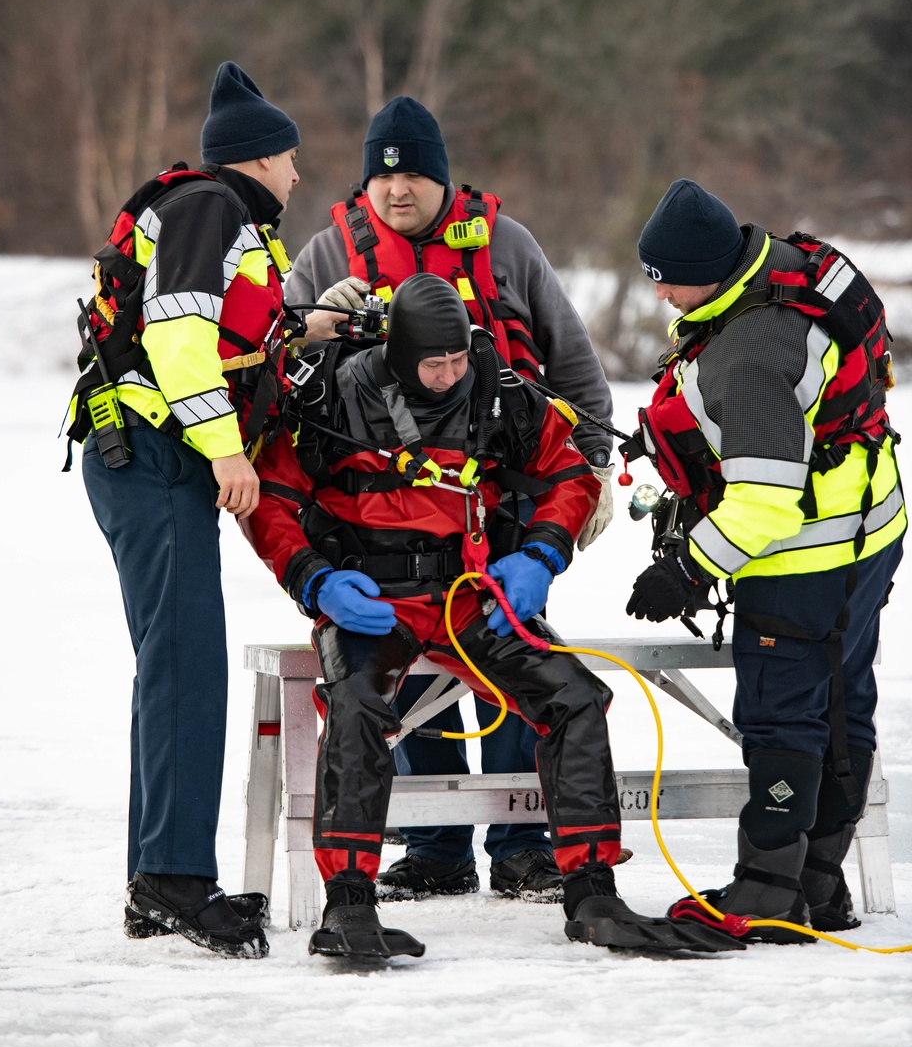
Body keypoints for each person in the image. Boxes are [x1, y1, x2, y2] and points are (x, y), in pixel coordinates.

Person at [242, 273, 735, 959]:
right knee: (356, 707)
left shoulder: (498, 392)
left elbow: (569, 471)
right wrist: (312, 577)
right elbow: (269, 498)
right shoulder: (329, 398)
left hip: (471, 595)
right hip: (369, 600)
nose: (448, 376)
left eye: (456, 361)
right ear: (398, 351)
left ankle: (591, 892)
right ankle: (349, 903)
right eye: (432, 363)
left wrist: (541, 554)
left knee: (576, 698)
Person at [287, 95, 615, 904]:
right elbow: (276, 360)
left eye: (413, 175)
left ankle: (522, 843)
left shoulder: (506, 244)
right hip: (381, 504)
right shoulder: (331, 252)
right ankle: (436, 847)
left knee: (506, 649)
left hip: (504, 482)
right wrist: (313, 330)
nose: (397, 191)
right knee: (405, 660)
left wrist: (593, 464)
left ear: (440, 176)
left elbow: (569, 354)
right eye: (383, 177)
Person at [626, 179, 905, 943]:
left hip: (805, 552)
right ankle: (819, 883)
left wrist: (686, 567)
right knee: (842, 704)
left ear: (706, 268)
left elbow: (764, 502)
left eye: (666, 281)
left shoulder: (747, 352)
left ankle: (768, 891)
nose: (662, 299)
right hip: (872, 526)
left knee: (782, 715)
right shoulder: (792, 266)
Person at [77, 61, 301, 957]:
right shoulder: (213, 206)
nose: (296, 177)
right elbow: (177, 333)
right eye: (292, 161)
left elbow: (215, 328)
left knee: (173, 666)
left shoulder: (205, 212)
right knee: (185, 667)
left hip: (142, 452)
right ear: (264, 156)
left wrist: (313, 324)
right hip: (157, 455)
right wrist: (228, 449)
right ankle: (173, 878)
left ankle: (154, 878)